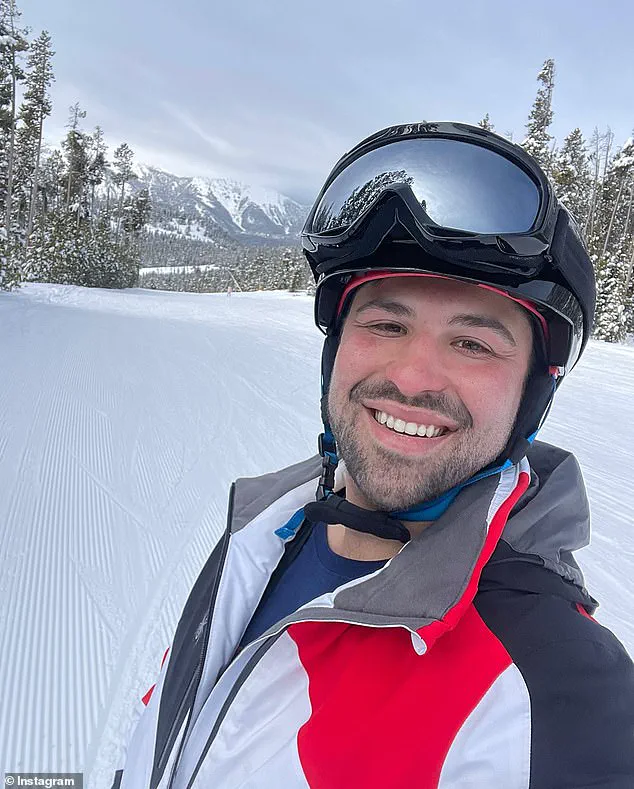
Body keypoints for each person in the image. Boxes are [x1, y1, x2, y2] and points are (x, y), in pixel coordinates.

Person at [113, 122, 634, 789]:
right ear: (336, 348)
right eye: (386, 323)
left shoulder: (550, 688)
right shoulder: (262, 533)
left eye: (473, 344)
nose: (414, 378)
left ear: (533, 394)